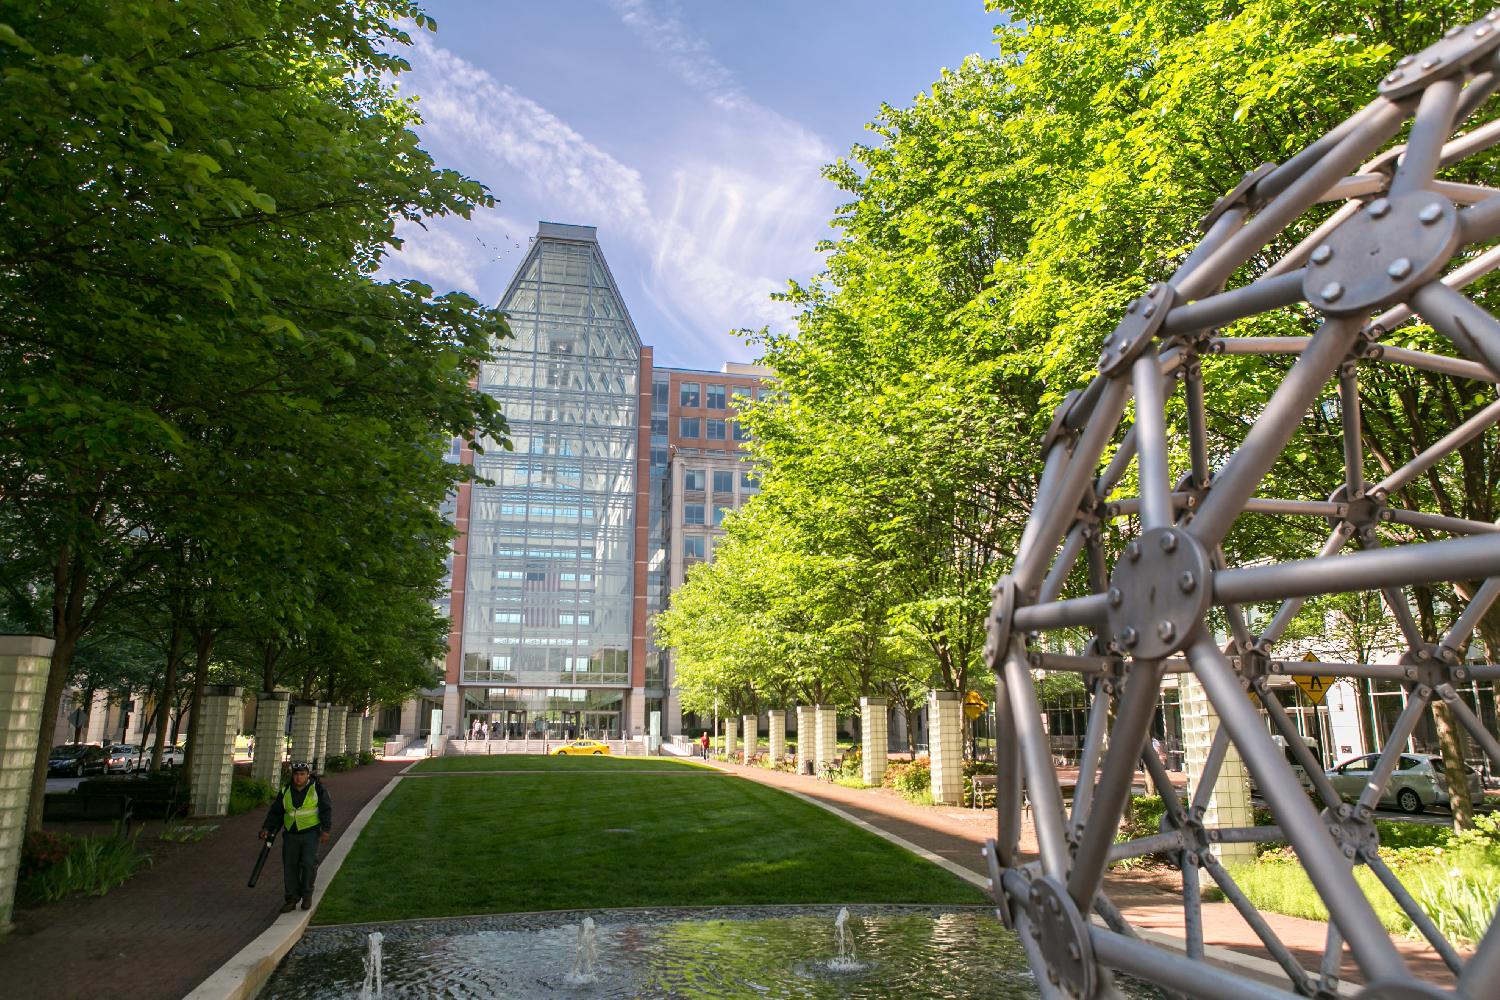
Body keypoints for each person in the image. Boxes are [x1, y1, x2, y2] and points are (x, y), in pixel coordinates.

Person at [260, 761, 332, 913]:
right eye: (296, 774)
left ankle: (306, 895)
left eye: (302, 774)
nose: (298, 778)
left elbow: (326, 809)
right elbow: (276, 812)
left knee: (308, 864)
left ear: (308, 775)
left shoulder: (317, 789)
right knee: (290, 866)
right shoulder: (285, 791)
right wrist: (267, 828)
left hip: (310, 833)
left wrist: (326, 830)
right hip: (291, 835)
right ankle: (291, 898)